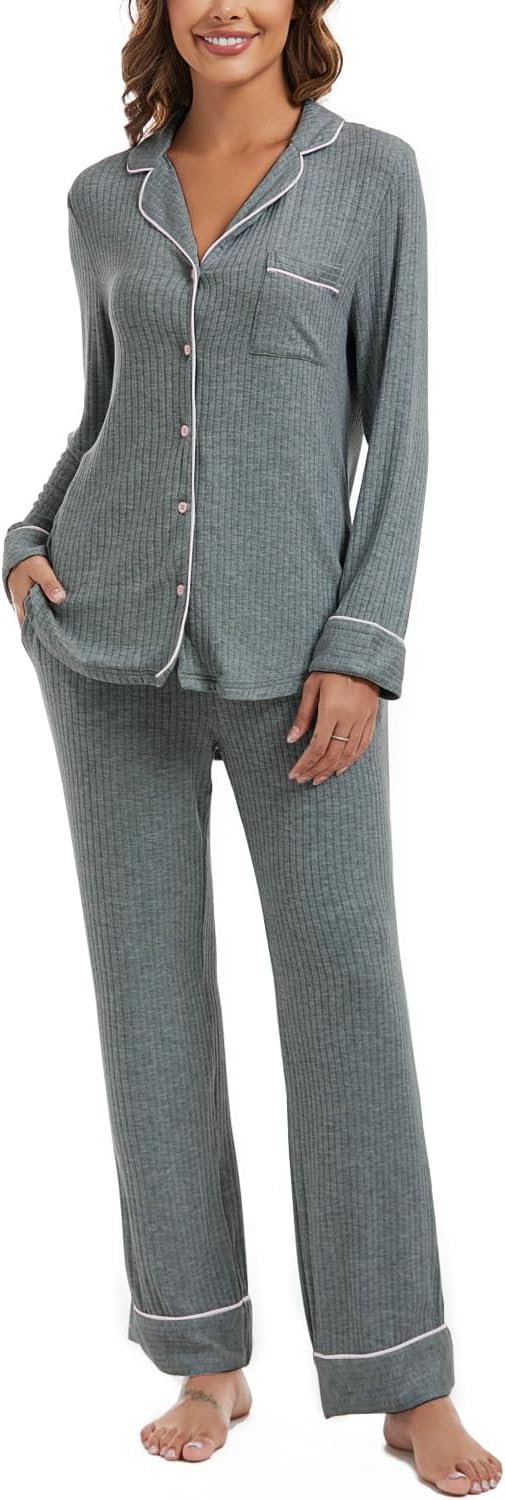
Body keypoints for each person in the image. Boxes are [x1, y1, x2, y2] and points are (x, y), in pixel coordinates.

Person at [3, 1, 501, 1492]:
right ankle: (201, 1357)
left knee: (348, 993)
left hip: (301, 669)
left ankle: (402, 1378)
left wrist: (365, 646)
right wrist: (25, 540)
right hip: (105, 654)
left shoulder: (373, 176)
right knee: (147, 1001)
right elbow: (108, 411)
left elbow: (402, 430)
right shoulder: (104, 196)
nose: (228, 4)